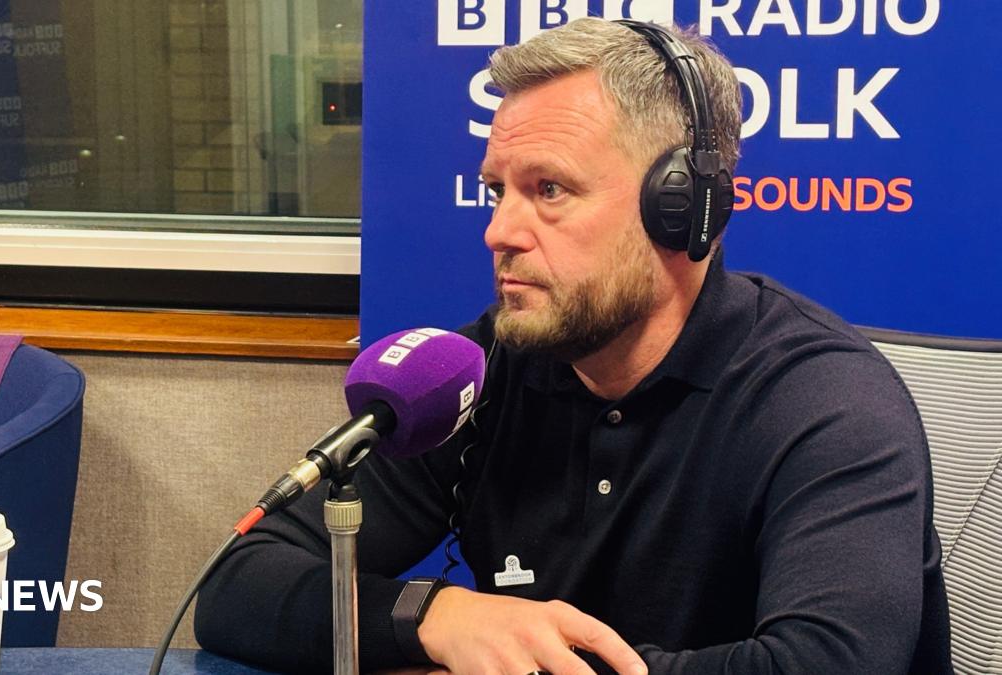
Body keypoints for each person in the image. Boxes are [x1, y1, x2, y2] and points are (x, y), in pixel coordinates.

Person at [194, 18, 951, 675]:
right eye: (498, 190)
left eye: (549, 189)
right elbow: (238, 584)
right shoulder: (477, 377)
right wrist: (436, 615)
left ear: (681, 206)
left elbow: (830, 663)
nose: (499, 231)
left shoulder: (824, 403)